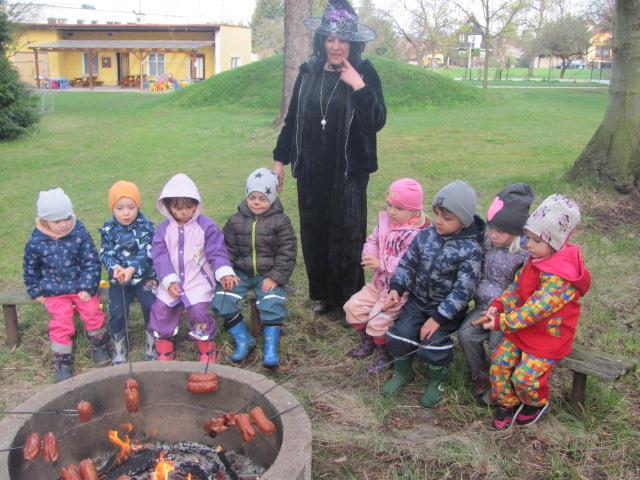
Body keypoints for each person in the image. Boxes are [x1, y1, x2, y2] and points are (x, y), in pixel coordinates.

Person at [272, 0, 386, 317]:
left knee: (346, 237)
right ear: (321, 40)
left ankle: (347, 300)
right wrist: (280, 159)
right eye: (330, 39)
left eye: (343, 39)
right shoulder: (309, 71)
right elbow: (293, 119)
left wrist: (358, 86)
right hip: (311, 170)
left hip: (348, 171)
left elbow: (378, 120)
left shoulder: (365, 72)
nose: (336, 46)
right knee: (316, 234)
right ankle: (325, 296)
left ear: (353, 42)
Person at [474, 194, 591, 429]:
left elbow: (533, 311)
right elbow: (516, 288)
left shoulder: (560, 278)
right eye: (528, 237)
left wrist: (500, 322)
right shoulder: (535, 259)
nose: (528, 245)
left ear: (555, 243)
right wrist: (499, 305)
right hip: (524, 329)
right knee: (500, 360)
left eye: (536, 240)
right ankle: (507, 402)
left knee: (525, 377)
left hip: (548, 336)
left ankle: (534, 403)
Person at [381, 180, 484, 408]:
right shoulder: (425, 236)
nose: (438, 220)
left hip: (446, 312)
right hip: (417, 303)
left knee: (432, 344)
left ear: (463, 220)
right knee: (399, 335)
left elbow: (463, 290)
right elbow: (408, 265)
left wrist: (438, 318)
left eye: (446, 218)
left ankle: (438, 379)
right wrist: (396, 289)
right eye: (436, 214)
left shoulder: (471, 250)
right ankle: (403, 372)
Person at [148, 173, 237, 362]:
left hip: (197, 280)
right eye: (178, 208)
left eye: (189, 207)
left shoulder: (207, 227)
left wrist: (224, 272)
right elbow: (160, 256)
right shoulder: (163, 230)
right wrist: (169, 281)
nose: (184, 213)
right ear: (168, 207)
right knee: (160, 309)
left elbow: (217, 252)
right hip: (170, 280)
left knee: (199, 313)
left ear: (196, 204)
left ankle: (206, 350)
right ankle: (165, 351)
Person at [212, 168, 297, 368]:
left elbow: (287, 251)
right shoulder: (235, 221)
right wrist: (227, 273)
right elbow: (226, 250)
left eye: (262, 198)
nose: (256, 202)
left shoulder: (281, 221)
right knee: (222, 299)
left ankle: (270, 347)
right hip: (240, 273)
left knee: (272, 303)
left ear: (272, 197)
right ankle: (243, 339)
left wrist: (275, 277)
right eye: (252, 197)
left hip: (268, 274)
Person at [23, 188, 110, 382]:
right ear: (45, 221)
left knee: (92, 312)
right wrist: (34, 289)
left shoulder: (79, 232)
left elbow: (91, 261)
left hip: (80, 287)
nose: (64, 224)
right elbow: (30, 267)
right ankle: (62, 362)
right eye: (57, 221)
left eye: (67, 218)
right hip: (54, 290)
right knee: (61, 321)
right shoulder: (36, 240)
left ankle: (100, 345)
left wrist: (87, 287)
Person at [343, 178, 429, 374]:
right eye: (389, 205)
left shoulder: (417, 235)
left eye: (399, 208)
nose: (392, 211)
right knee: (352, 307)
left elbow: (409, 263)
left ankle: (384, 354)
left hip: (397, 292)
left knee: (378, 320)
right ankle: (369, 341)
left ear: (415, 211)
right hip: (378, 283)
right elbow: (372, 240)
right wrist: (369, 254)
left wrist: (381, 263)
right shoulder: (385, 223)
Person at [458, 184, 534, 399]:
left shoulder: (524, 253)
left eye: (500, 231)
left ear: (516, 231)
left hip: (507, 312)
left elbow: (520, 289)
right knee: (466, 334)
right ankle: (481, 372)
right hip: (483, 307)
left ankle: (500, 380)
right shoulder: (487, 243)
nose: (493, 234)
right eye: (491, 228)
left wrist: (502, 309)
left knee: (497, 343)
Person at [99, 180, 158, 365]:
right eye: (120, 208)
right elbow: (105, 253)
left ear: (138, 206)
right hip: (119, 280)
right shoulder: (108, 229)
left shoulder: (146, 226)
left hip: (145, 277)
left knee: (151, 305)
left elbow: (148, 253)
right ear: (112, 208)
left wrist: (132, 268)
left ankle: (151, 345)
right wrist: (114, 268)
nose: (126, 213)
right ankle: (120, 349)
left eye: (131, 207)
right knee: (117, 310)